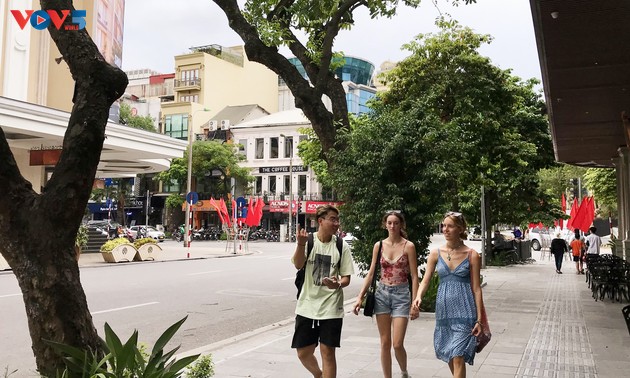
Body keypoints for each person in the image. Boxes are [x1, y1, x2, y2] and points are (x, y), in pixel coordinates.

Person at [413, 212, 484, 378]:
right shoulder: (436, 253)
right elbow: (425, 280)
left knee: (458, 356)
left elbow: (477, 289)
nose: (445, 229)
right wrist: (418, 296)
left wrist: (479, 319)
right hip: (444, 312)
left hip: (465, 311)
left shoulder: (472, 255)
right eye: (443, 225)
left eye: (450, 226)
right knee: (451, 356)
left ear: (460, 229)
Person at [352, 212, 419, 378]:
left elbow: (415, 276)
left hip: (401, 295)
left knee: (397, 344)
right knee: (385, 342)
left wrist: (415, 302)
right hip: (382, 293)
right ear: (385, 224)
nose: (392, 226)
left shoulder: (408, 246)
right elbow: (371, 272)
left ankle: (404, 372)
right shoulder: (379, 245)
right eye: (389, 223)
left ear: (401, 225)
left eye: (395, 223)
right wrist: (360, 296)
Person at [291, 205, 354, 378]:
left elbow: (346, 278)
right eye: (333, 219)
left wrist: (338, 284)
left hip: (331, 306)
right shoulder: (309, 241)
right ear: (321, 221)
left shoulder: (341, 246)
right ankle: (319, 375)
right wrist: (300, 244)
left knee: (328, 352)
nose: (337, 223)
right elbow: (298, 264)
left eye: (337, 220)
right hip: (307, 304)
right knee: (303, 352)